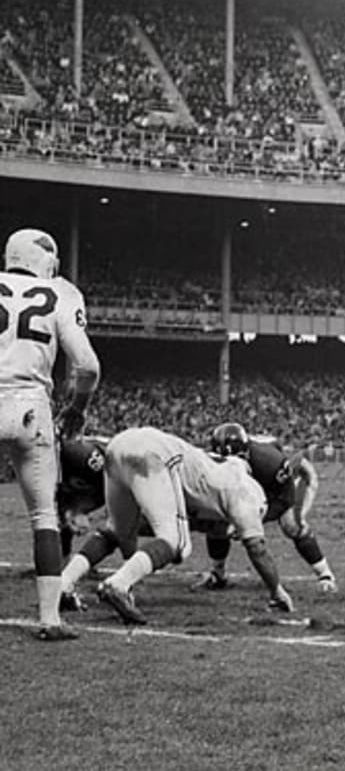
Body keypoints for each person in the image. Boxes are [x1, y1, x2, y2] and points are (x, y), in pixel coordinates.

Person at [59, 426, 294, 624]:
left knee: (115, 531)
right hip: (156, 454)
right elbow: (257, 547)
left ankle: (63, 584)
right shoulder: (246, 491)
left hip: (119, 445)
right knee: (177, 543)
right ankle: (118, 585)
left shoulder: (212, 477)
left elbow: (175, 516)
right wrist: (277, 591)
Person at [0, 228, 100, 641]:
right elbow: (89, 367)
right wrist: (76, 408)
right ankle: (50, 619)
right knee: (43, 515)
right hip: (30, 407)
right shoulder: (61, 293)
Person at [199, 423, 337, 594]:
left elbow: (283, 499)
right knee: (217, 521)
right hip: (259, 484)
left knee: (292, 524)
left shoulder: (268, 462)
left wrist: (251, 521)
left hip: (291, 478)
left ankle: (325, 575)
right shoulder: (208, 458)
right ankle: (218, 574)